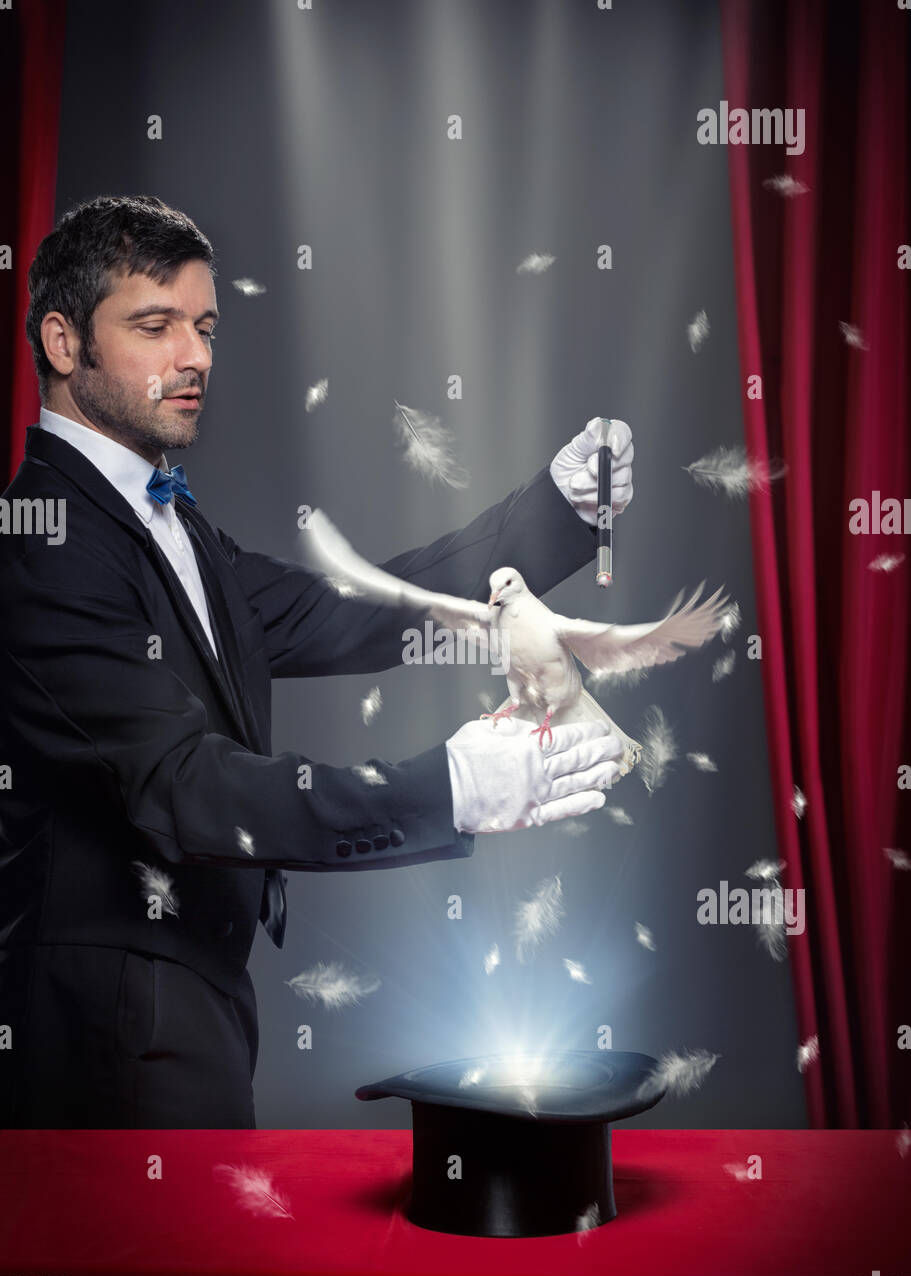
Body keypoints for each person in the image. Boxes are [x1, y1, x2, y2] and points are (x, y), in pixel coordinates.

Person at [0, 195, 634, 1128]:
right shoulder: (44, 545)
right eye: (155, 326)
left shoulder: (159, 520)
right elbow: (186, 787)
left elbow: (347, 612)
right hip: (106, 1036)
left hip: (188, 1006)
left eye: (206, 328)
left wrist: (555, 514)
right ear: (63, 342)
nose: (197, 358)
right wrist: (445, 787)